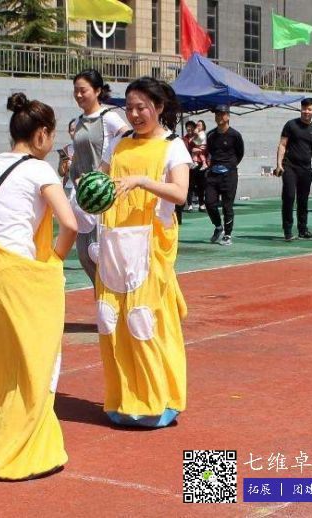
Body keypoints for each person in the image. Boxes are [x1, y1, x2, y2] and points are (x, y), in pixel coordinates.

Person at [0, 93, 77, 480]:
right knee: (36, 363)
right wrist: (55, 261)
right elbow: (70, 224)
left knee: (1, 363)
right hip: (20, 277)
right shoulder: (40, 171)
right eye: (52, 136)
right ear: (42, 134)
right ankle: (20, 450)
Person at [96, 76, 191, 428]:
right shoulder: (118, 144)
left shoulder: (173, 146)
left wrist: (141, 181)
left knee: (144, 320)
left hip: (151, 247)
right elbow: (101, 180)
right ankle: (123, 400)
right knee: (111, 320)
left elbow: (180, 193)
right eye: (129, 108)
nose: (134, 115)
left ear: (159, 107)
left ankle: (158, 401)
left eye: (142, 108)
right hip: (114, 244)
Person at [69, 69, 129, 287]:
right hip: (82, 197)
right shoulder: (78, 121)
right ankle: (103, 299)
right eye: (75, 90)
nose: (78, 95)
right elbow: (78, 157)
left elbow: (127, 140)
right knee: (85, 254)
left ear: (97, 91)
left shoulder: (109, 117)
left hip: (103, 198)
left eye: (83, 90)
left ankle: (115, 300)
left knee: (101, 255)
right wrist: (75, 177)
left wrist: (106, 172)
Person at [274, 98, 312, 241]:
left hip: (306, 170)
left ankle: (303, 230)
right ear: (300, 109)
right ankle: (288, 231)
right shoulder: (291, 125)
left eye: (309, 109)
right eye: (304, 109)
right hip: (289, 167)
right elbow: (282, 145)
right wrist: (279, 164)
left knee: (303, 200)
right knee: (289, 197)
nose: (306, 112)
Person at [205, 105, 244, 245]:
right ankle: (218, 227)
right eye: (217, 114)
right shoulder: (211, 135)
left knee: (227, 206)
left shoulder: (235, 135)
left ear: (228, 116)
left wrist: (230, 165)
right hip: (213, 174)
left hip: (229, 175)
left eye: (221, 114)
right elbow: (210, 151)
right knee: (209, 203)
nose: (219, 117)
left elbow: (240, 153)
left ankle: (227, 235)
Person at [182, 119, 207, 211]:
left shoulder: (199, 136)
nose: (189, 129)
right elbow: (182, 150)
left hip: (200, 163)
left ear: (194, 128)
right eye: (187, 128)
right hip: (189, 164)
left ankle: (201, 204)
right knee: (190, 185)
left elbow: (205, 148)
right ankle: (189, 204)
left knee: (201, 184)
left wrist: (200, 150)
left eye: (191, 128)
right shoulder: (184, 139)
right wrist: (191, 150)